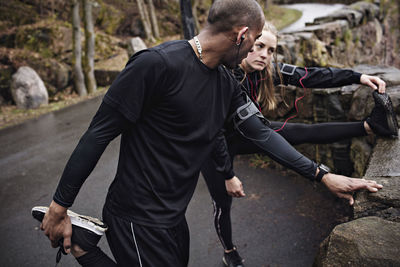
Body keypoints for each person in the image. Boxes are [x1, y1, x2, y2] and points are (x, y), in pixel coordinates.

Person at [37, 1, 383, 266]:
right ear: (242, 34)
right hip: (136, 216)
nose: (253, 52)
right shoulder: (156, 65)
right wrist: (58, 206)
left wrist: (322, 175)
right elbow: (97, 134)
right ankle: (82, 246)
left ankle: (83, 240)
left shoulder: (225, 83)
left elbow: (262, 134)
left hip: (174, 216)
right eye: (253, 44)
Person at [201, 21, 398, 267]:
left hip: (248, 131)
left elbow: (313, 75)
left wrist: (357, 76)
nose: (265, 55)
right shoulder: (224, 76)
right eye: (260, 46)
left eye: (271, 50)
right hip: (214, 146)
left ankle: (370, 126)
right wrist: (228, 174)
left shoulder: (266, 70)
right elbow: (213, 131)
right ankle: (229, 252)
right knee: (222, 201)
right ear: (246, 42)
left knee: (302, 131)